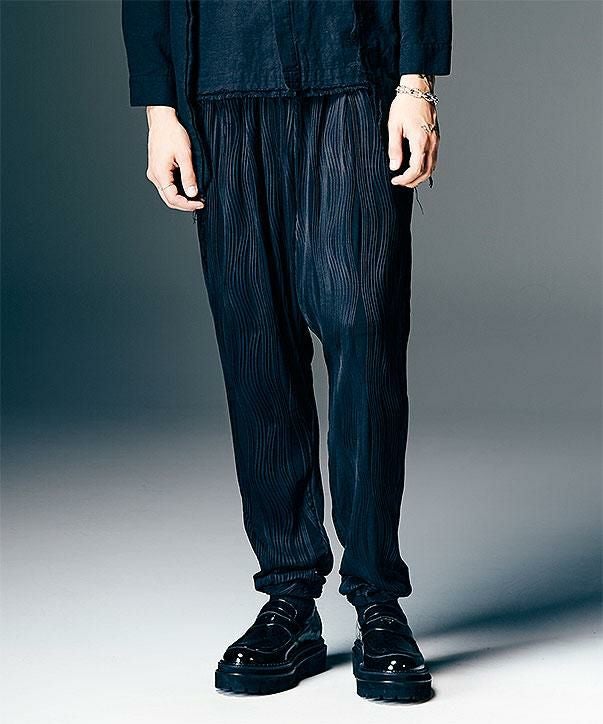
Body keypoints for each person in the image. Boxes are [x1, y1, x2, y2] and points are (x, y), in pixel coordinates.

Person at [122, 0, 452, 703]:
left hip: (353, 72)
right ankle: (289, 597)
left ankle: (377, 598)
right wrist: (159, 109)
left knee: (365, 332)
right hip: (219, 82)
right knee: (255, 343)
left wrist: (416, 82)